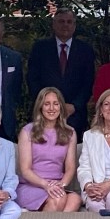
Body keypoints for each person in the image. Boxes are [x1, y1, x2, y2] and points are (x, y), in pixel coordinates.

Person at [26, 7, 96, 140]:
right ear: (54, 24)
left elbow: (88, 82)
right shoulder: (40, 48)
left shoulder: (85, 50)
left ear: (74, 25)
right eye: (61, 21)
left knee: (72, 150)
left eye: (69, 22)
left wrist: (74, 106)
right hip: (44, 113)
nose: (65, 25)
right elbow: (32, 79)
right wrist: (46, 104)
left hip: (74, 115)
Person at [16, 88, 82, 213]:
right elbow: (25, 170)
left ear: (61, 107)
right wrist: (45, 185)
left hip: (56, 185)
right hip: (32, 185)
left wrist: (61, 185)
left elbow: (70, 168)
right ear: (40, 107)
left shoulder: (70, 132)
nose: (51, 108)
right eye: (47, 104)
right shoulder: (27, 131)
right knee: (58, 199)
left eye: (55, 104)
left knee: (75, 199)